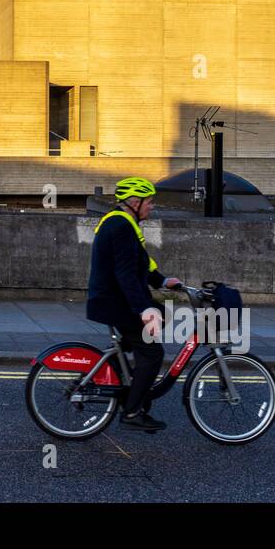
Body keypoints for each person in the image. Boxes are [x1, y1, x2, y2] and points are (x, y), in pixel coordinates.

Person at [85, 177, 181, 432]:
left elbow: (139, 262)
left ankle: (123, 366)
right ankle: (132, 411)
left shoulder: (125, 223)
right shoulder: (120, 226)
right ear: (135, 202)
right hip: (114, 301)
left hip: (115, 299)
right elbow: (125, 273)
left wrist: (162, 280)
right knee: (153, 353)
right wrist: (143, 308)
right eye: (149, 202)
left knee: (163, 315)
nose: (151, 207)